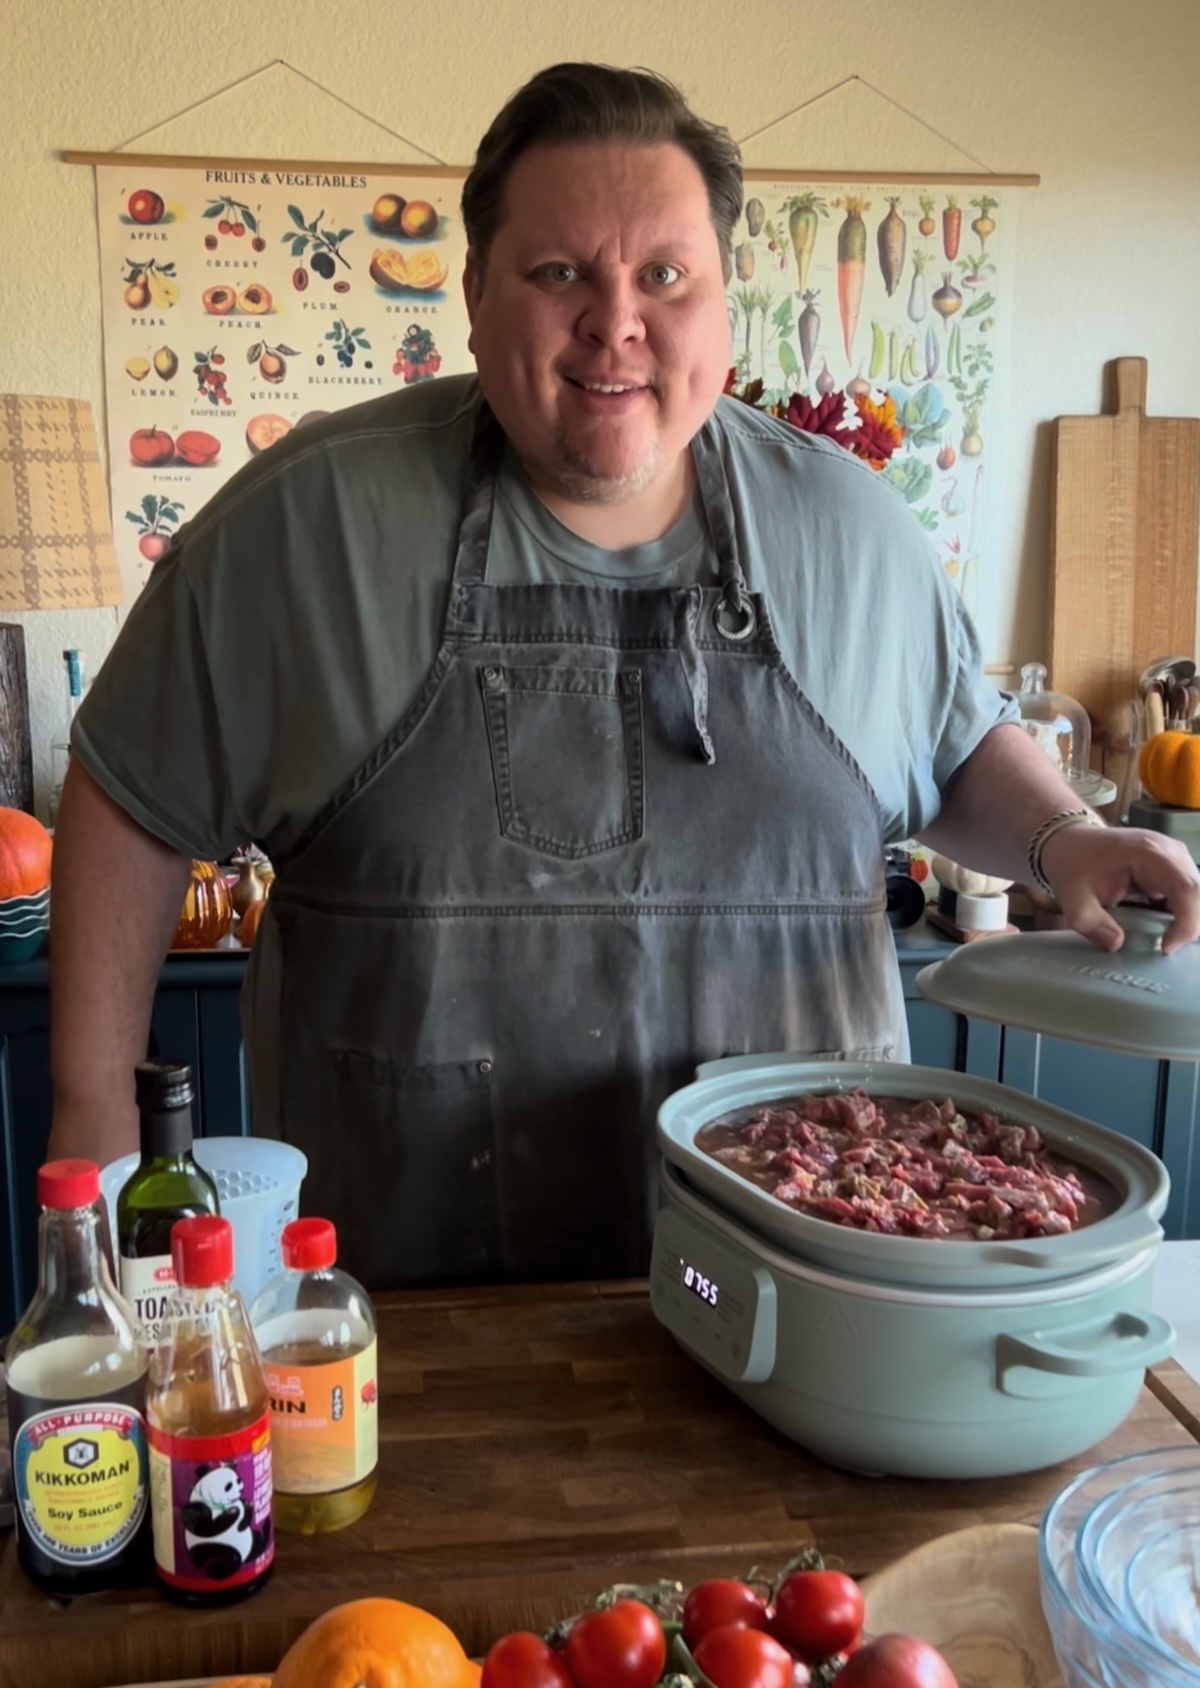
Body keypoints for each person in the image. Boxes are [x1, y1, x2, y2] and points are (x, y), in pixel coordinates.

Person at [49, 62, 1200, 1289]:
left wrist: (1069, 838)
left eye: (664, 276)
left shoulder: (853, 530)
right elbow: (132, 787)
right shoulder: (305, 527)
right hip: (413, 1327)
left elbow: (954, 741)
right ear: (478, 294)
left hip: (820, 1308)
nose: (616, 323)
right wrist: (90, 1110)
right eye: (559, 275)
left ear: (722, 301)